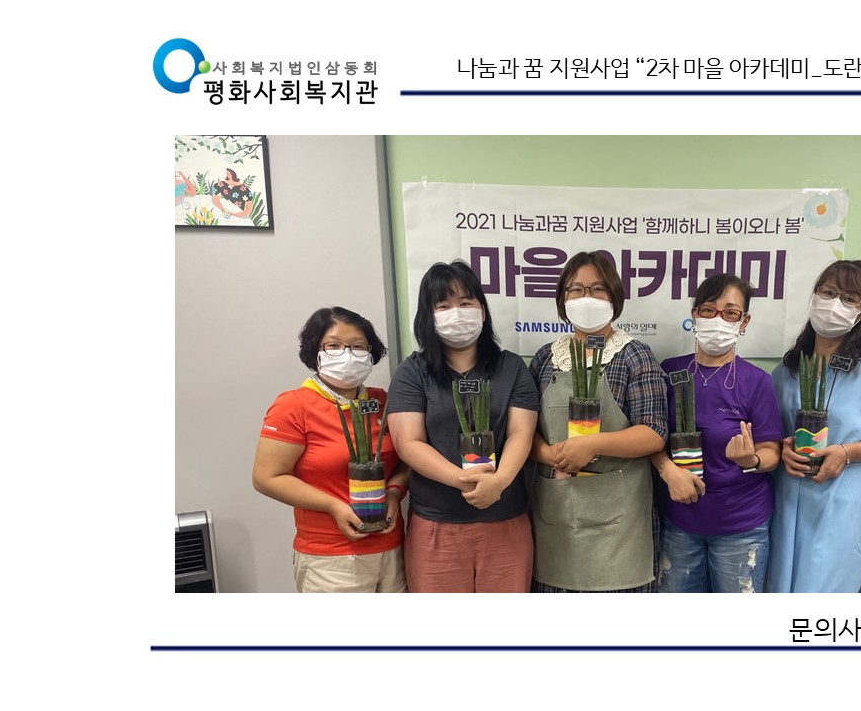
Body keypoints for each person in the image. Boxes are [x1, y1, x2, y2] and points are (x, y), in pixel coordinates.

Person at [386, 261, 539, 592]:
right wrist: (464, 481)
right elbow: (408, 443)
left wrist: (498, 483)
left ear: (482, 311)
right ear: (428, 316)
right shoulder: (413, 372)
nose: (456, 313)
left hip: (505, 520)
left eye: (465, 302)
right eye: (443, 306)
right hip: (436, 524)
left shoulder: (512, 367)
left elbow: (521, 433)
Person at [768, 260, 861, 593]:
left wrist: (848, 452)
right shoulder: (788, 369)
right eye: (828, 292)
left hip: (846, 498)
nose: (834, 304)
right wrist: (783, 450)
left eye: (849, 299)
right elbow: (774, 435)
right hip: (790, 498)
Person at [527, 251, 668, 592]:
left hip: (619, 527)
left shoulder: (634, 355)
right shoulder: (546, 357)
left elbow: (653, 432)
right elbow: (524, 430)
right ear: (563, 298)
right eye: (576, 289)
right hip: (557, 516)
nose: (586, 298)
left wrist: (591, 445)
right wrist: (547, 454)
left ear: (614, 296)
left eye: (598, 289)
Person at [252, 307, 407, 593]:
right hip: (331, 557)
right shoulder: (293, 405)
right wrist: (333, 506)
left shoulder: (382, 402)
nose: (347, 354)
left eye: (358, 346)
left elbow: (406, 458)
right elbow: (266, 477)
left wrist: (395, 492)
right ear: (315, 353)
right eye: (333, 346)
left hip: (393, 549)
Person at [652, 274, 783, 593]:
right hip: (680, 523)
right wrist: (666, 470)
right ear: (695, 314)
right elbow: (650, 436)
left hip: (741, 525)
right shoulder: (670, 371)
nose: (718, 319)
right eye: (709, 310)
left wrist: (751, 460)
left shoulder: (757, 381)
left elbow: (771, 453)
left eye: (730, 313)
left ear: (744, 321)